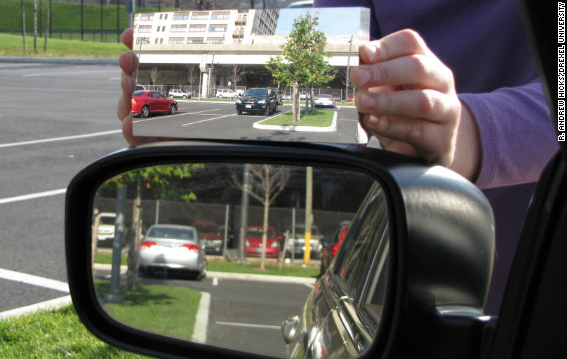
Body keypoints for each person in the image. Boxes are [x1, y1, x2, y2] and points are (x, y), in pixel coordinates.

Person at [116, 1, 558, 315]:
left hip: (535, 270)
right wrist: (206, 136)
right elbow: (345, 108)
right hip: (409, 280)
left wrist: (469, 134)